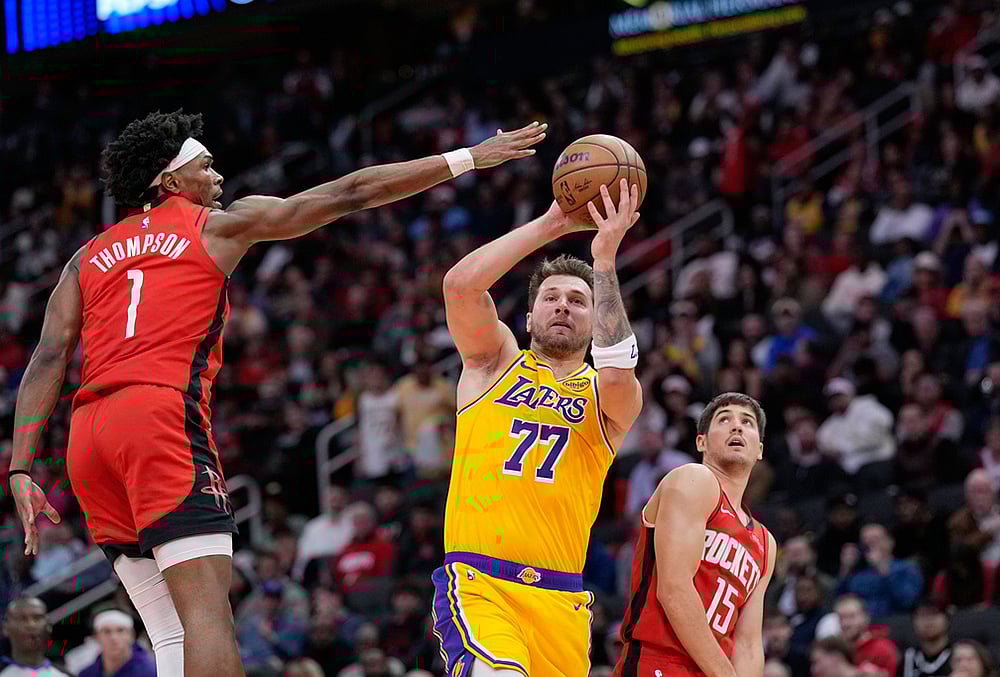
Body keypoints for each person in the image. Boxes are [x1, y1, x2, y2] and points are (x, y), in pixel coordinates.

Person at [8, 109, 546, 677]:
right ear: (170, 183)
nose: (218, 179)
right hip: (157, 416)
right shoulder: (216, 225)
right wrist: (466, 158)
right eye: (206, 167)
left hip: (87, 439)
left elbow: (47, 356)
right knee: (209, 617)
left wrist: (21, 466)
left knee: (169, 628)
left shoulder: (85, 257)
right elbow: (353, 191)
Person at [433, 180, 644, 676]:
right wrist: (553, 224)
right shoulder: (493, 363)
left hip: (561, 601)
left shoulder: (608, 397)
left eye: (578, 299)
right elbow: (460, 287)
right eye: (552, 297)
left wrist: (606, 263)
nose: (565, 305)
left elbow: (617, 370)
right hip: (481, 582)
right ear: (528, 318)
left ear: (596, 321)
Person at [615, 392, 777, 677]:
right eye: (724, 419)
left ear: (760, 450)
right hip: (660, 662)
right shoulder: (693, 479)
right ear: (701, 441)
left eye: (747, 422)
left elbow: (749, 642)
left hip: (713, 670)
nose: (737, 427)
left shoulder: (765, 543)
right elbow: (674, 589)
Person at [1, 597, 70, 677]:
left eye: (37, 618)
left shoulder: (64, 674)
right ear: (5, 628)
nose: (31, 625)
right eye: (21, 618)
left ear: (49, 625)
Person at [79, 609, 157, 677]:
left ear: (132, 635)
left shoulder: (151, 671)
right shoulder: (86, 674)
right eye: (106, 631)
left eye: (120, 630)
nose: (113, 638)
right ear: (96, 637)